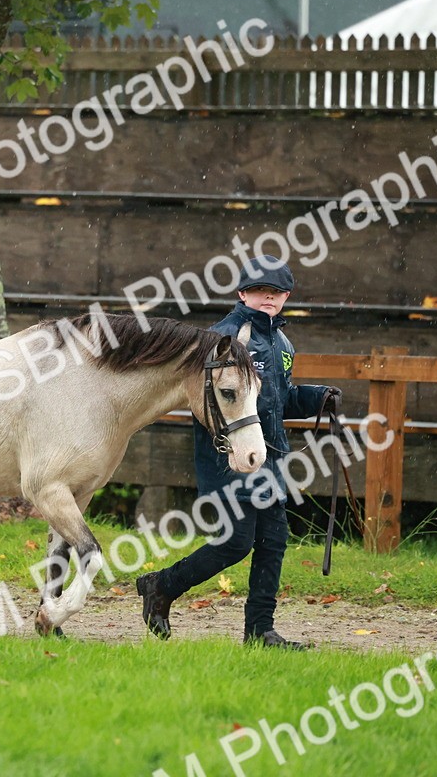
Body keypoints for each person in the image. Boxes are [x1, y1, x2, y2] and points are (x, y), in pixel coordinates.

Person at [136, 256, 340, 649]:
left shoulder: (282, 344)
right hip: (229, 460)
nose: (269, 297)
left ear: (287, 296)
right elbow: (210, 402)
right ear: (242, 293)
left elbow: (280, 402)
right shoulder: (223, 340)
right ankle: (162, 585)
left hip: (270, 460)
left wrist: (317, 398)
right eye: (260, 290)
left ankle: (260, 630)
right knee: (235, 543)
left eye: (276, 291)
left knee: (273, 544)